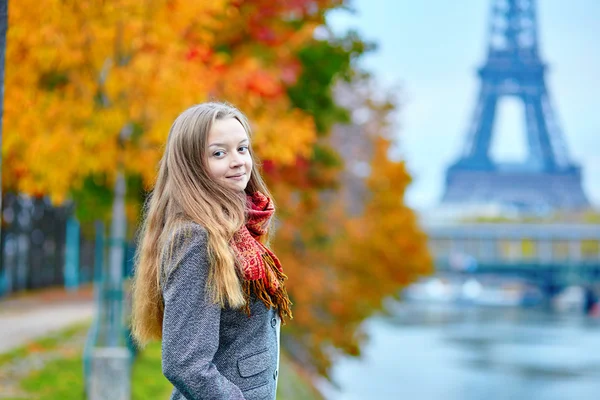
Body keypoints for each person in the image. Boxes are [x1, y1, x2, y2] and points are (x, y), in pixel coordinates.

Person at [131, 102, 293, 400]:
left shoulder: (237, 229)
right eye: (219, 153)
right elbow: (185, 364)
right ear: (191, 166)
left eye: (242, 149)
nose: (238, 161)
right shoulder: (196, 238)